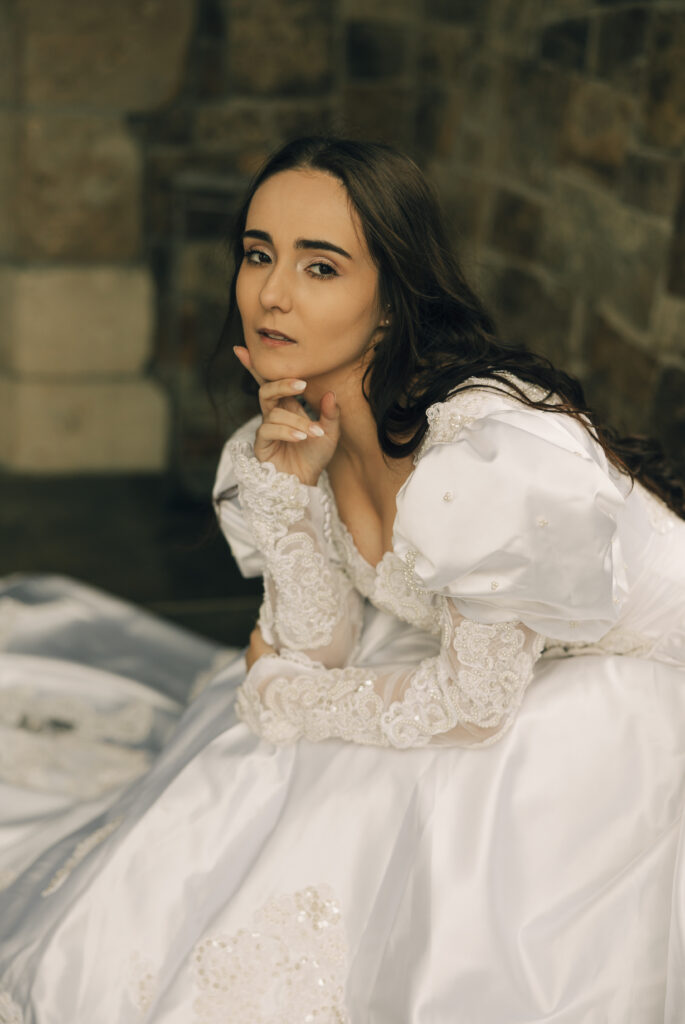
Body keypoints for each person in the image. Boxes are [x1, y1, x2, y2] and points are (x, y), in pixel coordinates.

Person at [0, 136, 684, 1022]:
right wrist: (288, 497)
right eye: (257, 255)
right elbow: (318, 641)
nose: (271, 294)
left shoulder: (485, 454)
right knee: (268, 753)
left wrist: (281, 695)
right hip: (494, 658)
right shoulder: (298, 427)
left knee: (412, 774)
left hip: (636, 678)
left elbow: (469, 704)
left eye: (320, 267)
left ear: (393, 302)